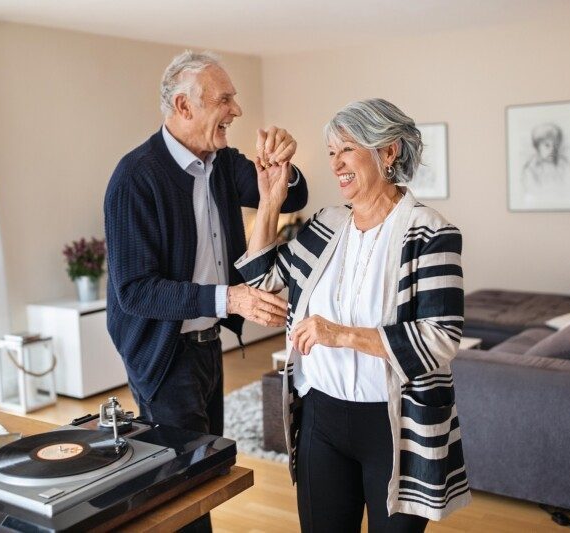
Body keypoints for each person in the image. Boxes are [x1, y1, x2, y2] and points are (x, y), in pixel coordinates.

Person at [236, 98, 471, 532]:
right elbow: (262, 280)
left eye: (347, 148)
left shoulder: (432, 232)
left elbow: (440, 338)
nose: (335, 163)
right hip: (321, 418)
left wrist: (340, 334)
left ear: (388, 151)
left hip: (396, 425)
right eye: (331, 152)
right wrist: (270, 200)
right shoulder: (326, 224)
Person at [103, 50, 308, 532]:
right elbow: (135, 291)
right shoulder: (136, 178)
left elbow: (291, 196)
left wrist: (285, 166)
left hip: (205, 344)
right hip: (162, 352)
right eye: (225, 99)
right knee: (179, 486)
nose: (236, 110)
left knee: (203, 475)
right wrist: (230, 298)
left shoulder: (221, 163)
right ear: (184, 106)